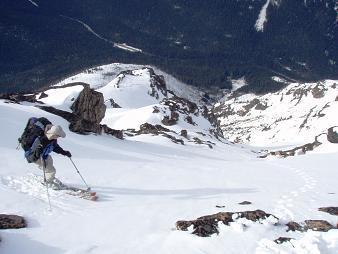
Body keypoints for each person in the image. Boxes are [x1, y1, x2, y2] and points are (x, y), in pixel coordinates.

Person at [25, 124, 72, 189]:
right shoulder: (42, 139)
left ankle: (50, 177)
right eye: (58, 136)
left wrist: (64, 152)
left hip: (44, 155)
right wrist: (38, 151)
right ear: (54, 134)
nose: (58, 137)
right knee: (51, 170)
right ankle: (48, 183)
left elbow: (55, 147)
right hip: (35, 157)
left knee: (50, 160)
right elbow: (33, 151)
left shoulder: (53, 139)